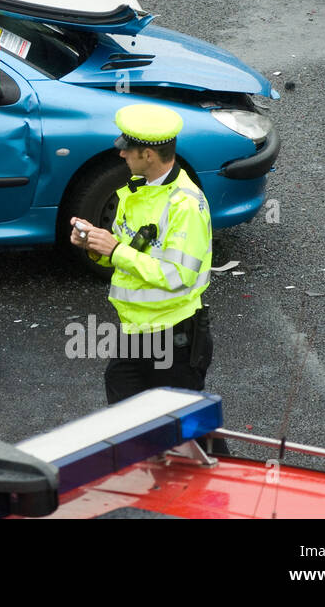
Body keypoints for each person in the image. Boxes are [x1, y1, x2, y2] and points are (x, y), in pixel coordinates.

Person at [69, 103, 216, 404]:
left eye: (128, 149)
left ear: (148, 155)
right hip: (137, 331)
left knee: (184, 436)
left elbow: (178, 276)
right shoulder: (137, 191)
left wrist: (116, 250)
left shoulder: (185, 205)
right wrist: (96, 246)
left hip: (174, 339)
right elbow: (129, 252)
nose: (121, 154)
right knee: (127, 420)